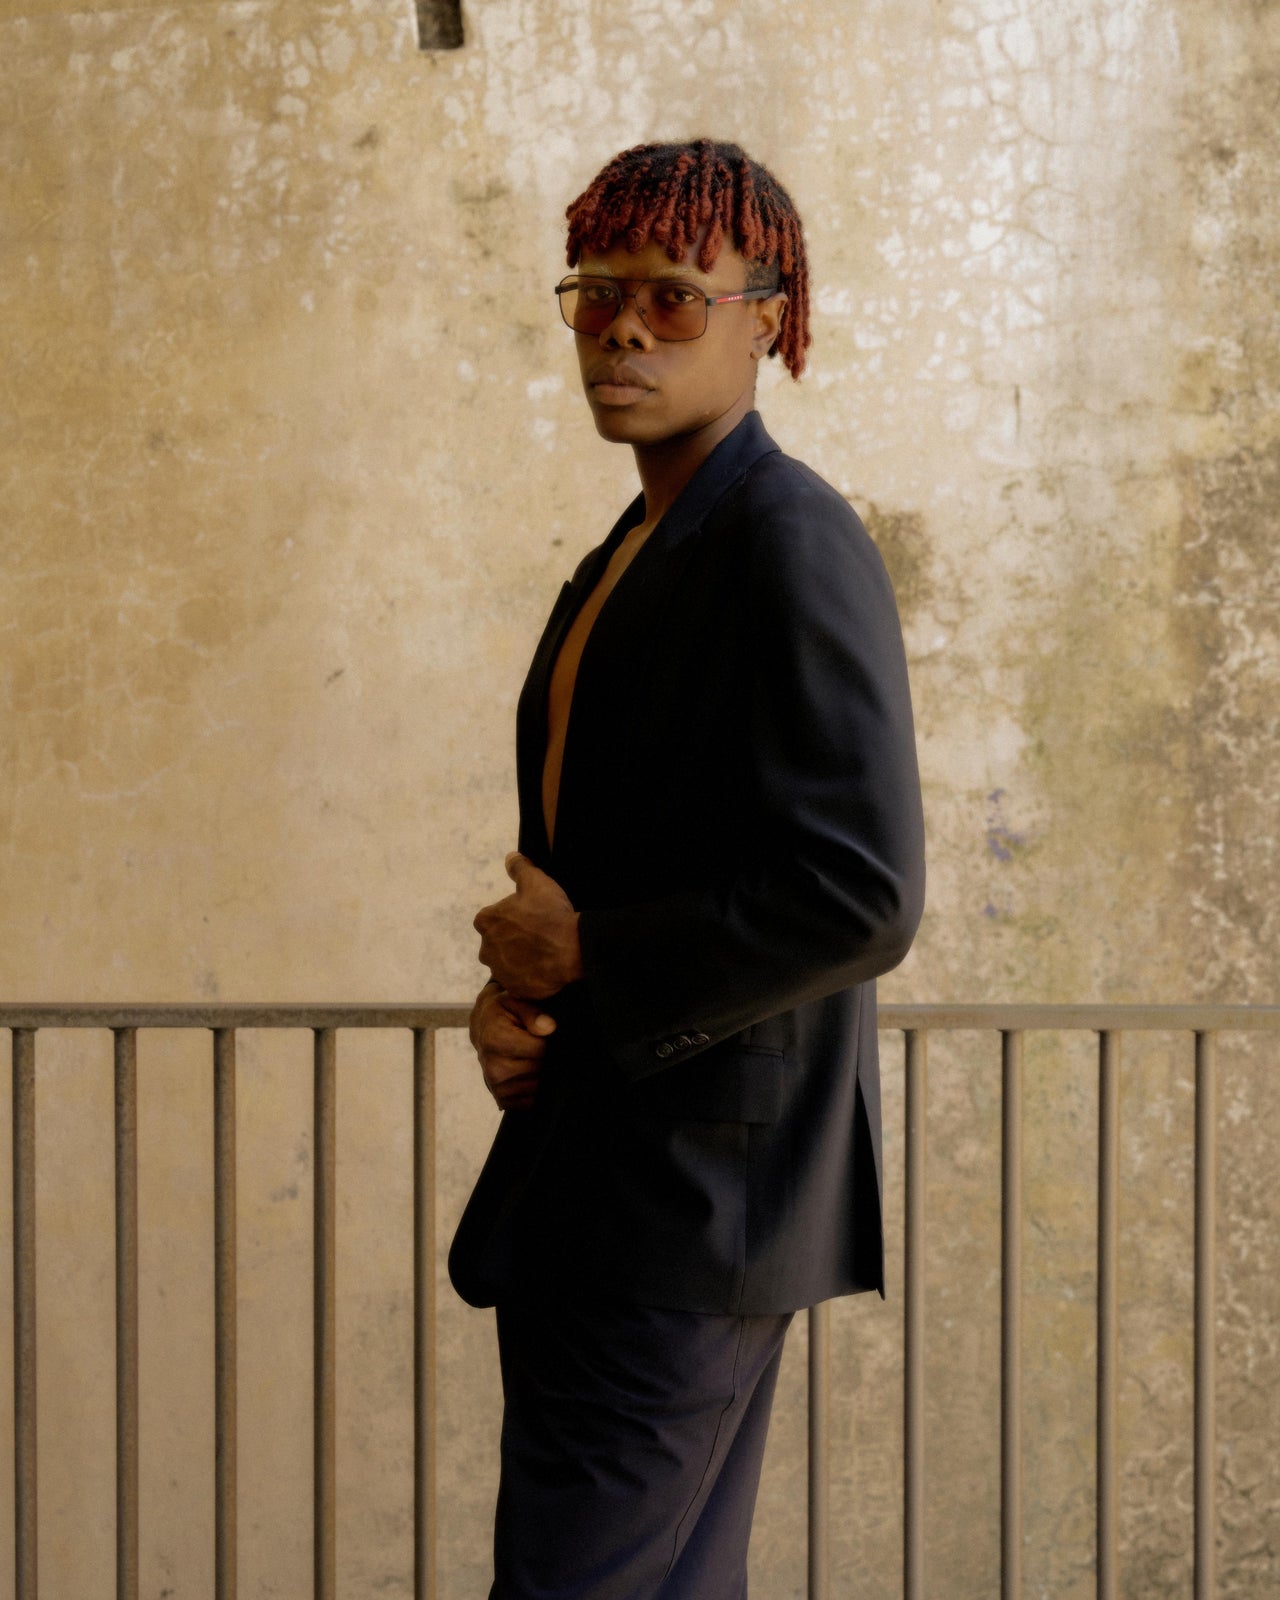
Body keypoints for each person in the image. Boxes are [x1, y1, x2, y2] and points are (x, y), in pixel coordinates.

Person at [450, 138, 926, 1600]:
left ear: (767, 315)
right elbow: (600, 852)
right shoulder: (629, 549)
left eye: (670, 293)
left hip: (691, 1202)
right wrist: (519, 1006)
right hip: (607, 1181)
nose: (624, 329)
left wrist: (593, 966)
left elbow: (860, 889)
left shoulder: (788, 539)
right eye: (596, 292)